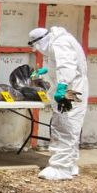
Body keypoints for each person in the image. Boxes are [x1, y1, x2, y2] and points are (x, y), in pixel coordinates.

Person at [28, 26, 88, 181]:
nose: (39, 50)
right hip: (74, 87)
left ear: (40, 42)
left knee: (64, 126)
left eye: (36, 47)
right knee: (71, 128)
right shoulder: (59, 41)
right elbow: (58, 64)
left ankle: (60, 168)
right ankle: (70, 165)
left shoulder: (59, 43)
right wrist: (44, 71)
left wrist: (62, 87)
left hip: (70, 89)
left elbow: (66, 66)